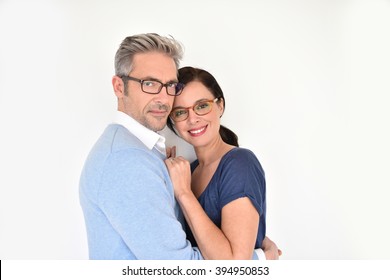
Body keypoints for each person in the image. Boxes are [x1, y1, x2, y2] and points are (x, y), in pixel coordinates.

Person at [79, 33, 279, 259]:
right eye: (150, 83)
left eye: (170, 85)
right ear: (118, 86)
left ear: (219, 105)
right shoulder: (128, 160)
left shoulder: (150, 157)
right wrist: (261, 259)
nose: (163, 98)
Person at [165, 66, 281, 259]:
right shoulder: (189, 171)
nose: (193, 119)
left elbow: (234, 267)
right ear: (173, 122)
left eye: (202, 106)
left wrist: (184, 193)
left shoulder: (240, 163)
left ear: (220, 106)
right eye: (180, 112)